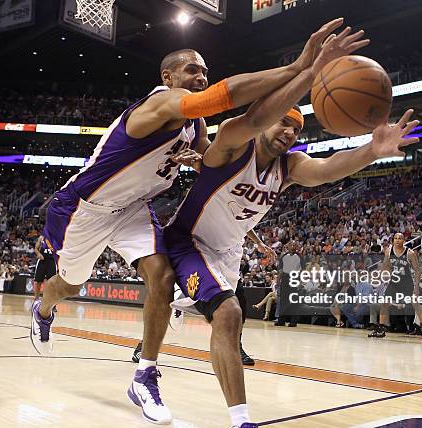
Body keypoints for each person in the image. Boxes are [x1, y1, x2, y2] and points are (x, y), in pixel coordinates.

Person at [30, 19, 356, 426]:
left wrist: (204, 158)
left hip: (133, 207)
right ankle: (43, 308)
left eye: (204, 71)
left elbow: (217, 156)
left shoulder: (195, 124)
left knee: (162, 276)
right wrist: (298, 69)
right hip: (85, 208)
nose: (201, 76)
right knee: (71, 284)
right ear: (168, 77)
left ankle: (144, 375)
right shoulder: (161, 103)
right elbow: (224, 98)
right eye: (192, 70)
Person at [163, 24, 422, 426]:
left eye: (297, 129)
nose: (288, 132)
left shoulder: (289, 167)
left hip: (227, 250)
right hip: (187, 242)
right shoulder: (231, 142)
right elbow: (253, 116)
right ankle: (241, 419)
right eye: (283, 122)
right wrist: (309, 69)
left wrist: (372, 149)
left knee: (229, 315)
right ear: (267, 119)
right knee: (228, 314)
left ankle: (176, 310)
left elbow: (326, 169)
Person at [369, 233, 422, 343]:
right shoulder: (388, 251)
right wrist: (379, 276)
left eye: (400, 238)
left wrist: (416, 287)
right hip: (394, 282)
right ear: (393, 240)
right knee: (384, 303)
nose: (397, 240)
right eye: (396, 238)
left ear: (404, 240)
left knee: (416, 305)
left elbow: (418, 270)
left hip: (407, 283)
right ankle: (381, 329)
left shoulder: (410, 253)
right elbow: (386, 265)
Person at [33, 235, 57, 300]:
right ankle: (36, 299)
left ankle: (51, 302)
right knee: (38, 281)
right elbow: (36, 248)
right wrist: (39, 254)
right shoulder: (42, 237)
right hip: (42, 261)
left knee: (52, 282)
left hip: (52, 261)